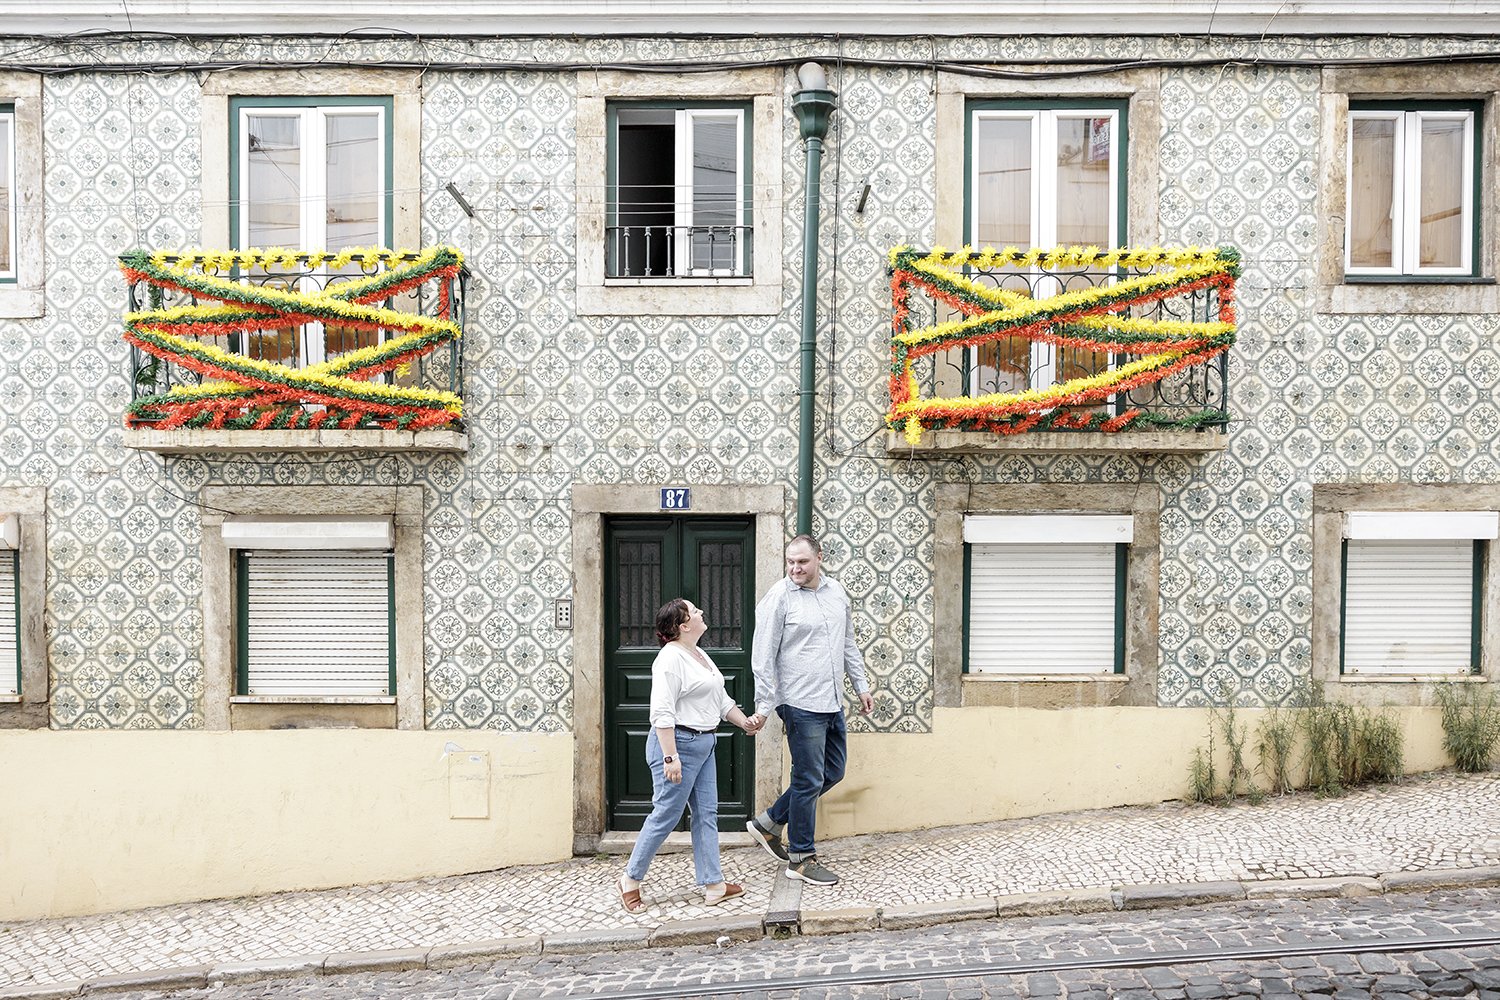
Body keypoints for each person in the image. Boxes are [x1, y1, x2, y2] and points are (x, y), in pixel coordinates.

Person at [617, 597, 764, 913]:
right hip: (676, 745)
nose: (701, 613)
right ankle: (630, 880)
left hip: (704, 745)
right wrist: (670, 757)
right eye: (695, 611)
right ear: (683, 626)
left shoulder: (699, 655)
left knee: (707, 814)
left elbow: (722, 701)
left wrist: (745, 723)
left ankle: (713, 884)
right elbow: (661, 712)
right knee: (666, 815)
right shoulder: (669, 659)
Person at [744, 534, 873, 886]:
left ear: (819, 558)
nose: (795, 568)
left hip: (831, 700)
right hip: (799, 703)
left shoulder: (836, 592)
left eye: (802, 562)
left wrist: (860, 685)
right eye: (790, 562)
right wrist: (765, 705)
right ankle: (801, 857)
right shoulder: (778, 598)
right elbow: (762, 655)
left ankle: (769, 823)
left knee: (833, 771)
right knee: (807, 778)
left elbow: (847, 642)